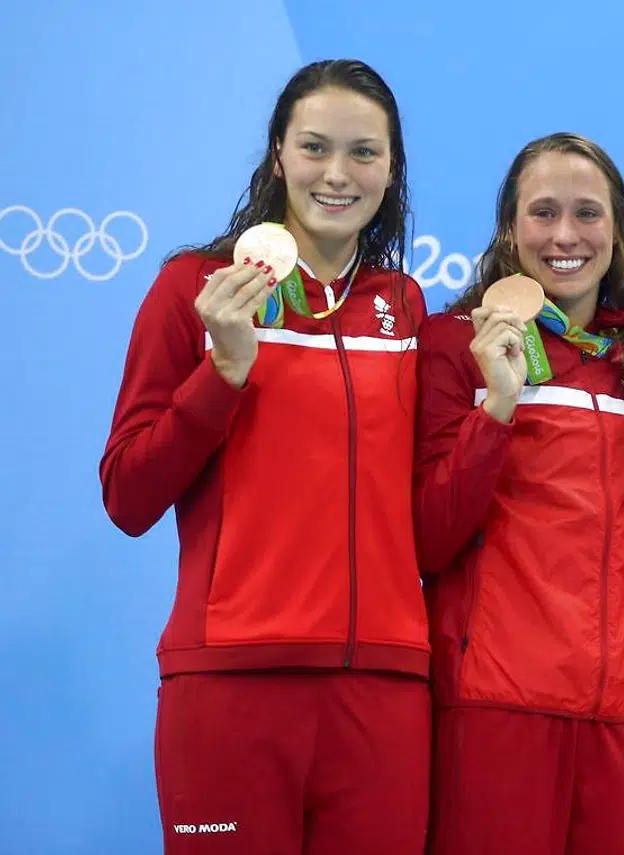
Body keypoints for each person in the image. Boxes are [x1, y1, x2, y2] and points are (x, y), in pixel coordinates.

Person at [99, 59, 431, 854]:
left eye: (364, 153)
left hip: (381, 694)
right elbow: (128, 494)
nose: (338, 174)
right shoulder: (194, 289)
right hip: (230, 688)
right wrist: (222, 373)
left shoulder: (403, 306)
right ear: (278, 153)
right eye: (315, 147)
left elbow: (425, 506)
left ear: (391, 169)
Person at [415, 132, 624, 855]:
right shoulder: (449, 347)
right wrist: (495, 407)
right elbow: (431, 536)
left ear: (619, 233)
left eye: (588, 213)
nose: (566, 235)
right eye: (543, 212)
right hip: (495, 708)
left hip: (620, 722)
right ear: (509, 229)